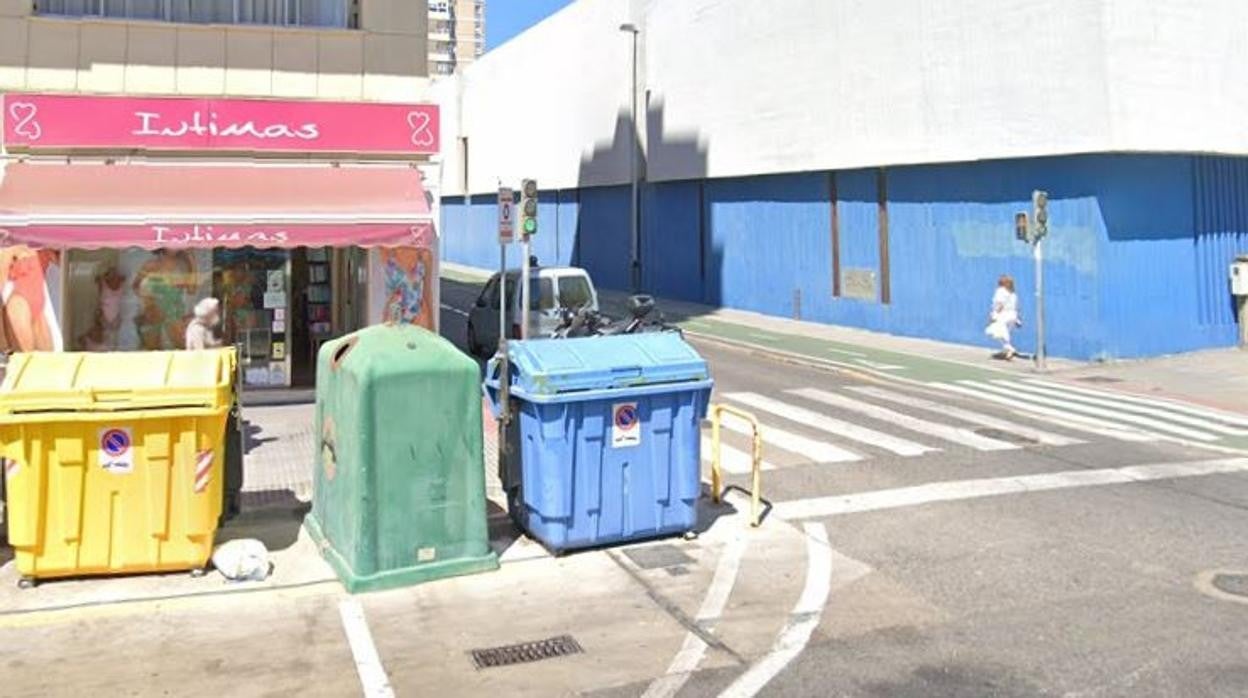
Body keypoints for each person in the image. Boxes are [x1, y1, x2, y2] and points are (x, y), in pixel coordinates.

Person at [985, 275, 1021, 359]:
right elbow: (1016, 306)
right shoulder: (1013, 293)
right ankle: (1006, 352)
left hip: (1003, 315)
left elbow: (1000, 304)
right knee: (1005, 334)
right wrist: (1018, 319)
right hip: (1013, 315)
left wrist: (994, 315)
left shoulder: (1000, 291)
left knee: (993, 330)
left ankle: (1010, 349)